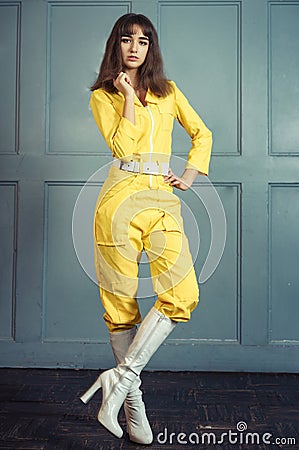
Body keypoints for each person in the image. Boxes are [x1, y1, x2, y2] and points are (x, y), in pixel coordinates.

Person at [80, 13, 212, 444]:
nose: (134, 47)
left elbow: (201, 134)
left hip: (160, 199)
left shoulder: (168, 92)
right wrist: (127, 97)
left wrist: (189, 176)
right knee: (120, 308)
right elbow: (122, 145)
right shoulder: (104, 96)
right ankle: (132, 403)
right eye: (126, 39)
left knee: (182, 293)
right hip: (118, 200)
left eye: (143, 40)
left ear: (151, 47)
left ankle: (119, 380)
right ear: (115, 46)